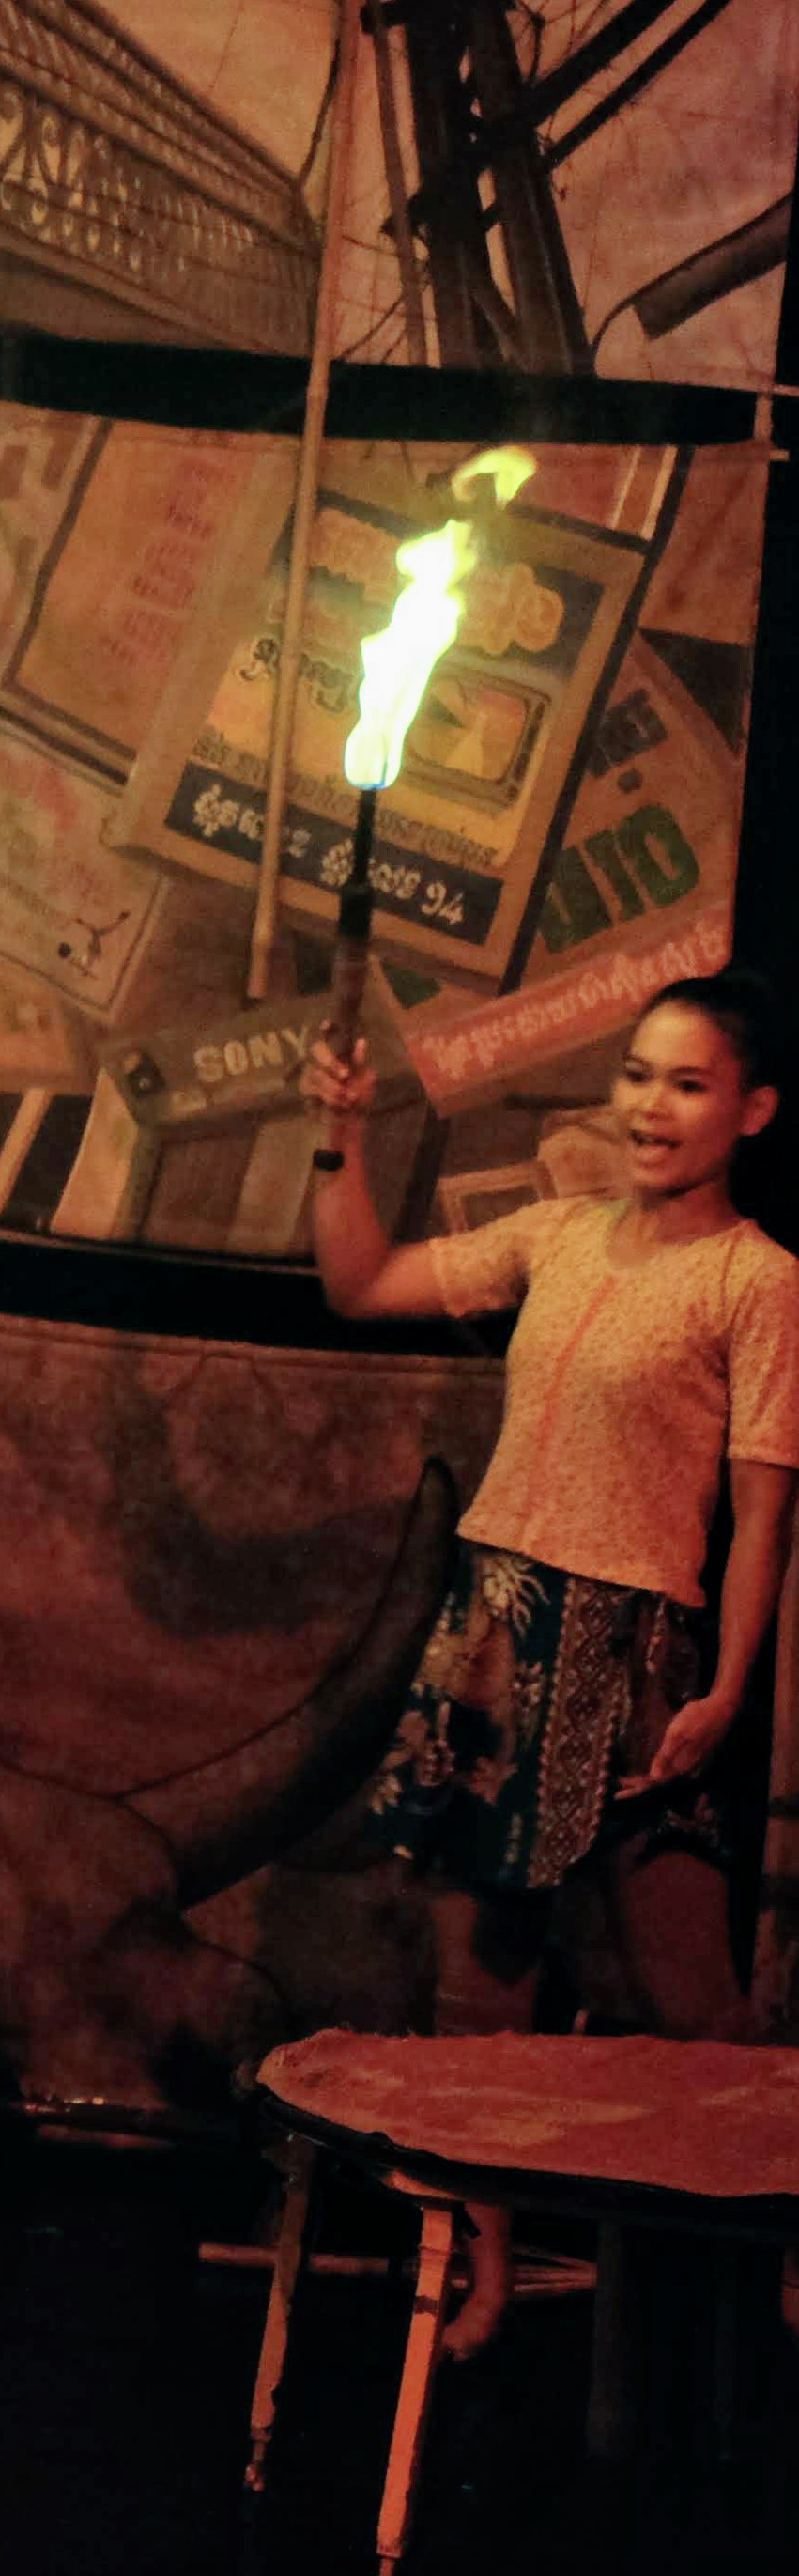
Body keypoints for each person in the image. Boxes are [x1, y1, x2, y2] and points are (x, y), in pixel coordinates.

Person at [307, 978, 799, 2355]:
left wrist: (726, 1689)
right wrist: (335, 1136)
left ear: (748, 1110)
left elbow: (763, 1513)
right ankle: (484, 2271)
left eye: (687, 1083)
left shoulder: (757, 1282)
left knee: (692, 2002)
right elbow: (355, 1283)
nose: (648, 1105)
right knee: (480, 1990)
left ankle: (770, 2251)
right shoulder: (557, 1236)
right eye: (637, 1074)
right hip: (496, 1629)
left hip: (636, 1648)